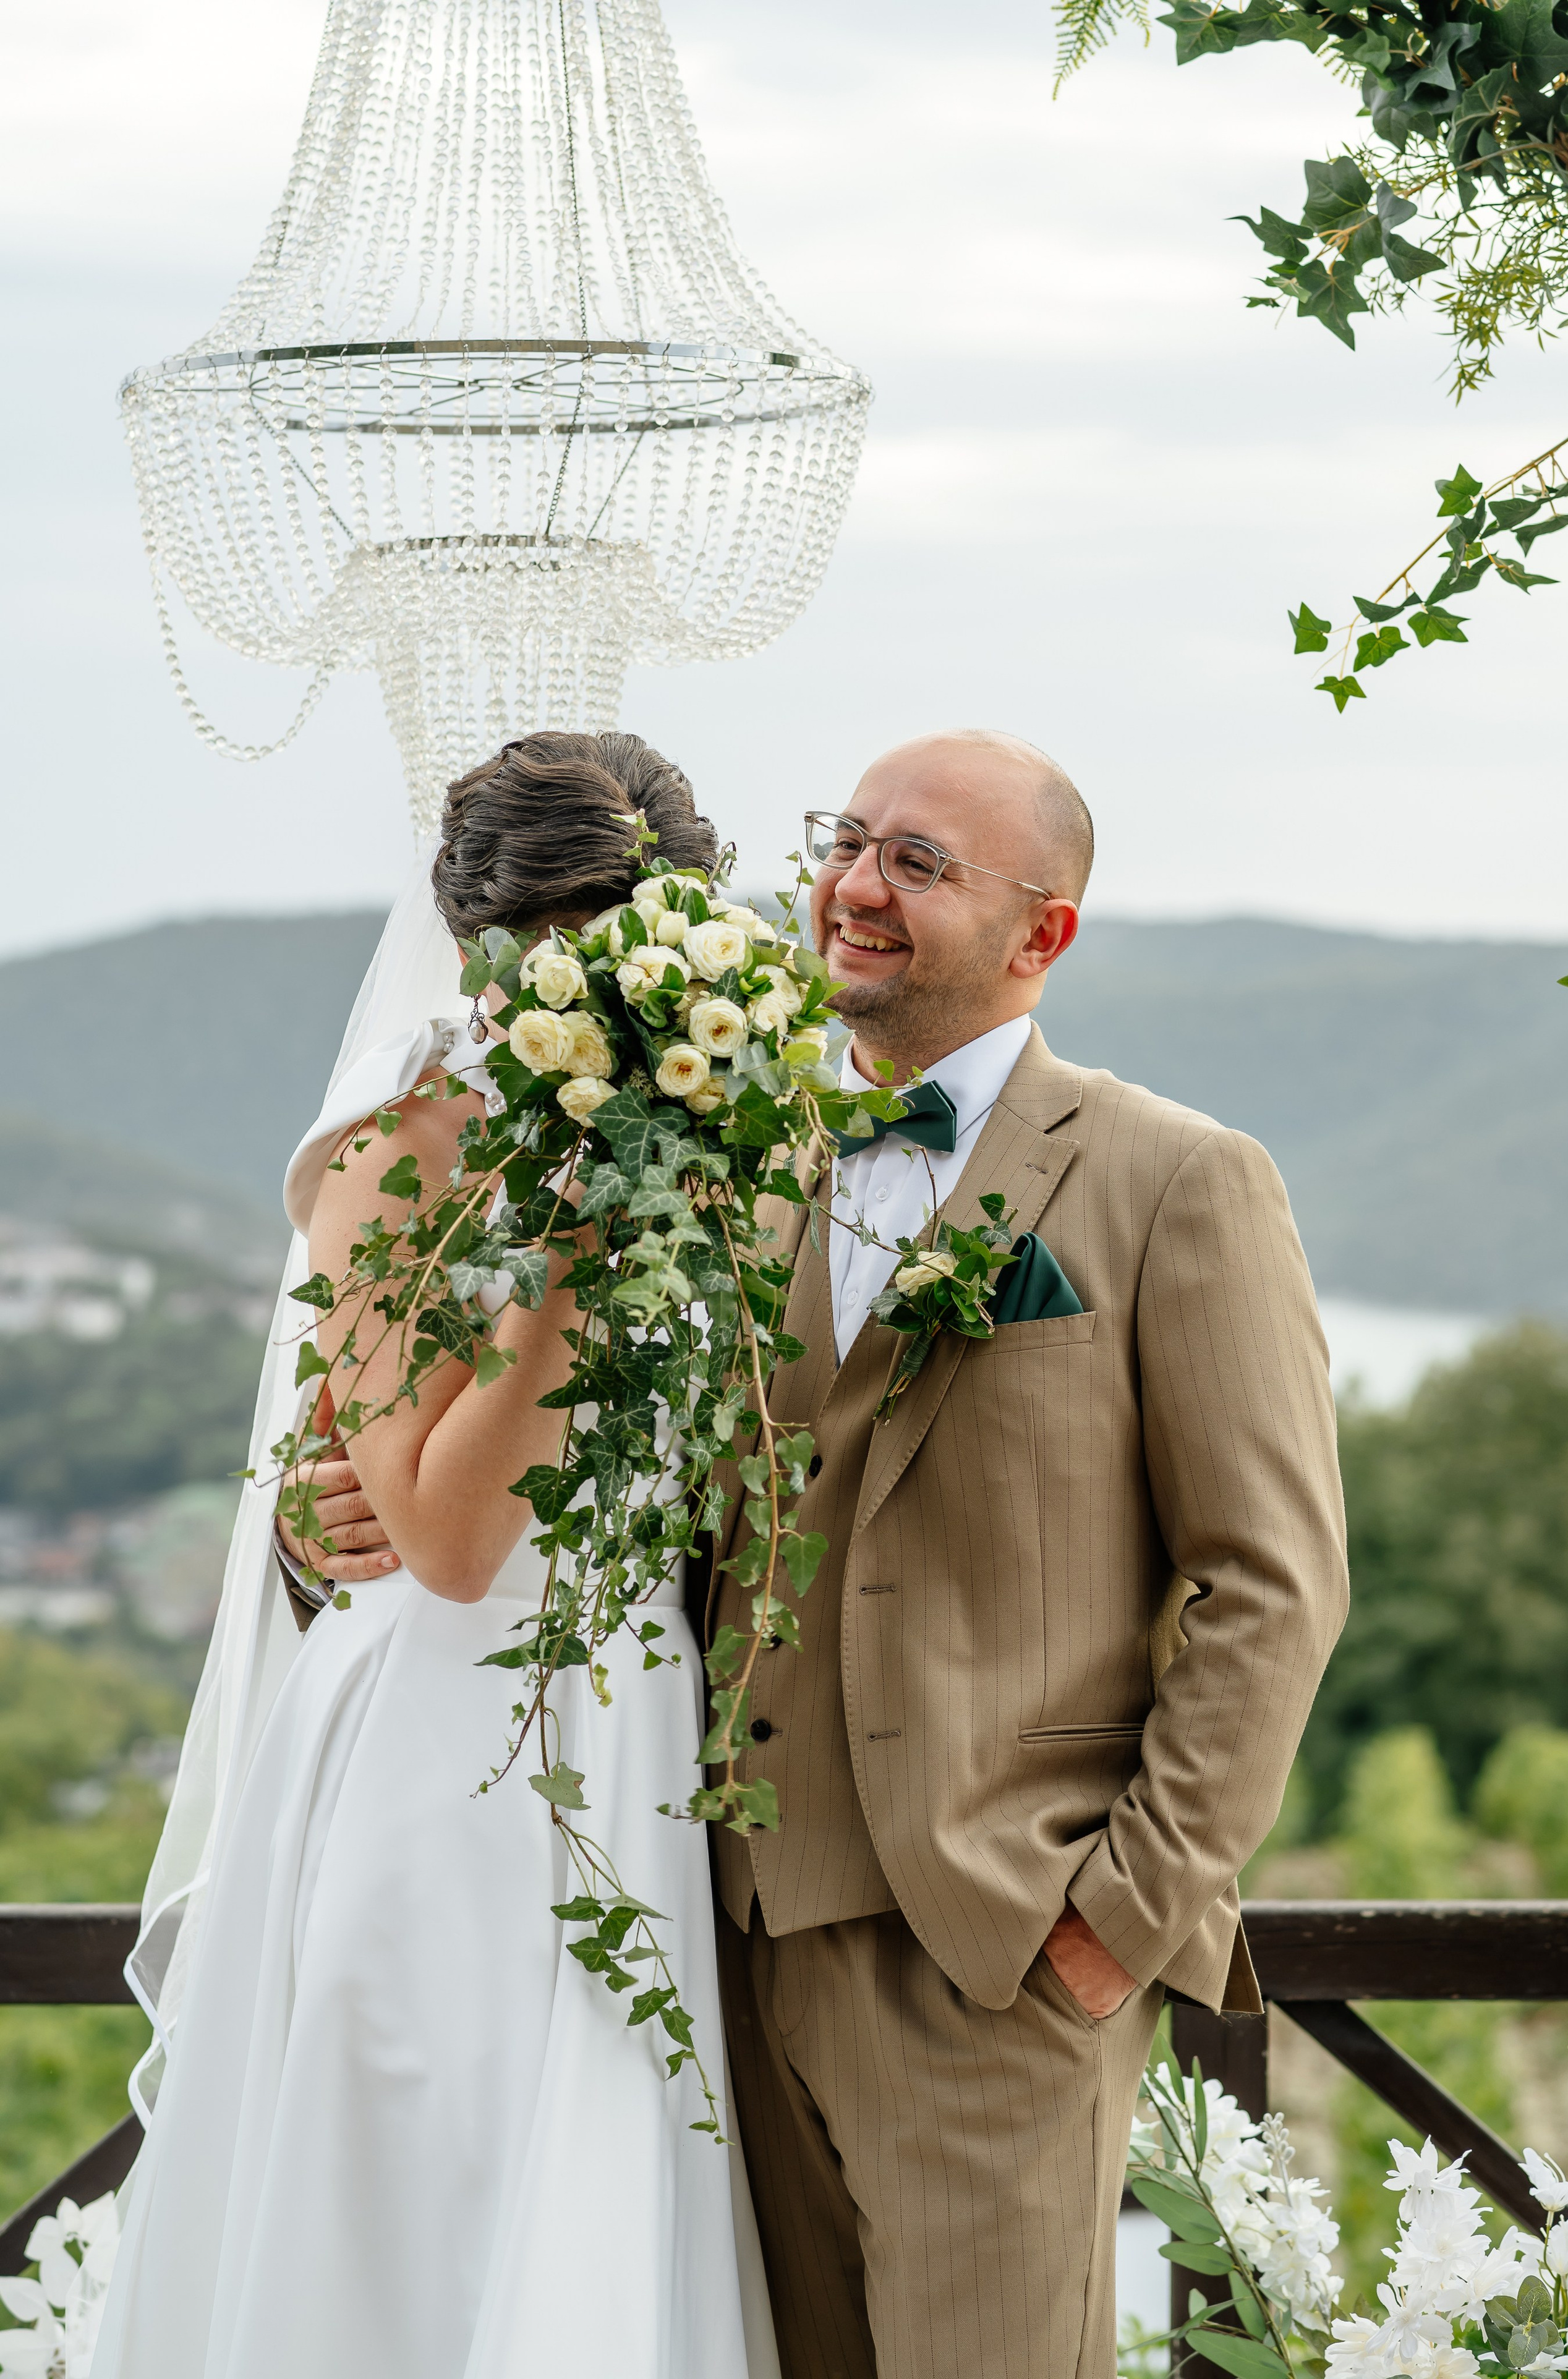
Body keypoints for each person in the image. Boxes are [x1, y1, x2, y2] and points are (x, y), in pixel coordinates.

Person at [284, 726, 1349, 2379]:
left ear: (1042, 931)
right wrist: (325, 1515)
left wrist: (1117, 1922)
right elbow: (579, 1476)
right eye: (845, 841)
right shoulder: (731, 1153)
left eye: (920, 863)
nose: (855, 886)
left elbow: (1270, 1586)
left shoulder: (1175, 1182)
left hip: (994, 1955)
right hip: (700, 1936)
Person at [93, 734, 779, 2379]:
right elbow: (455, 1544)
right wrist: (592, 1223)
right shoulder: (398, 1148)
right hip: (447, 1741)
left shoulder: (732, 1125)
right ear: (486, 950)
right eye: (562, 950)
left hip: (631, 1728)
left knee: (602, 2195)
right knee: (420, 2195)